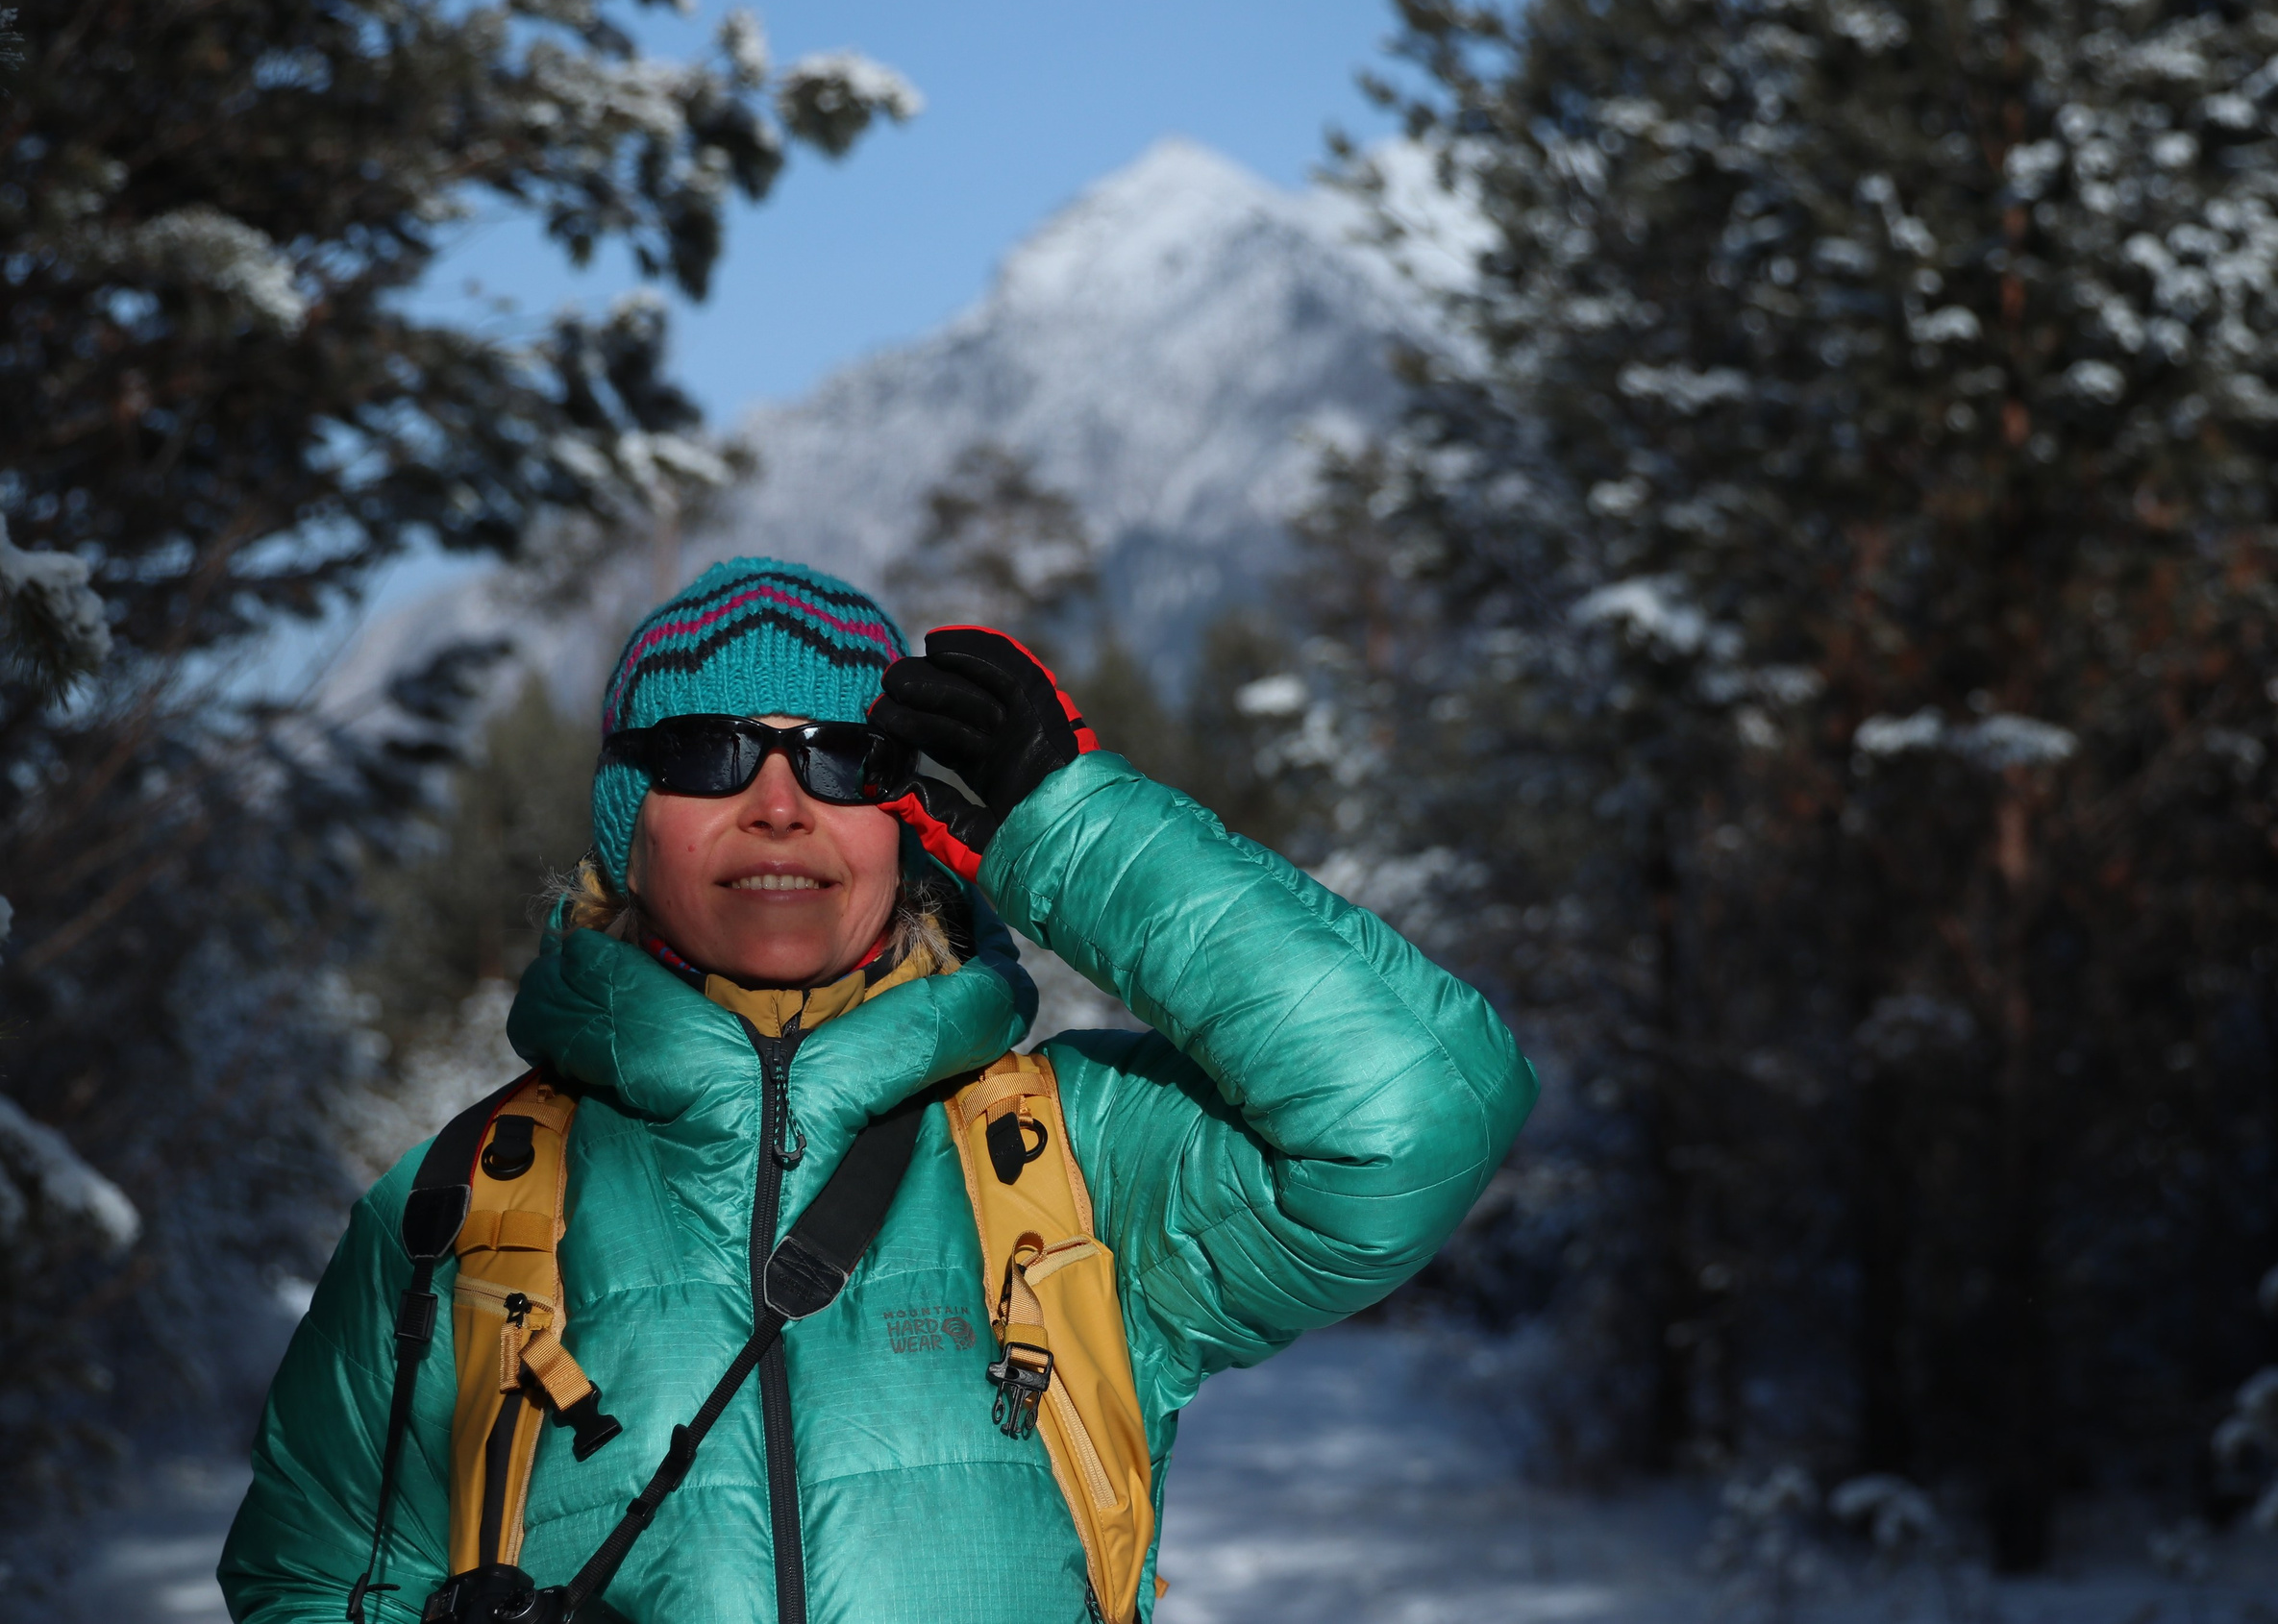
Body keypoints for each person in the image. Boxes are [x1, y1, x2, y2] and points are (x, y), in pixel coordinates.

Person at [219, 557, 1537, 1622]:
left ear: (909, 826)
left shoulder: (1072, 1159)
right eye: (712, 751)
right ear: (631, 820)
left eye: (842, 757)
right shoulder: (457, 1209)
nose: (782, 803)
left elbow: (1414, 1119)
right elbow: (313, 1584)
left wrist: (1071, 826)